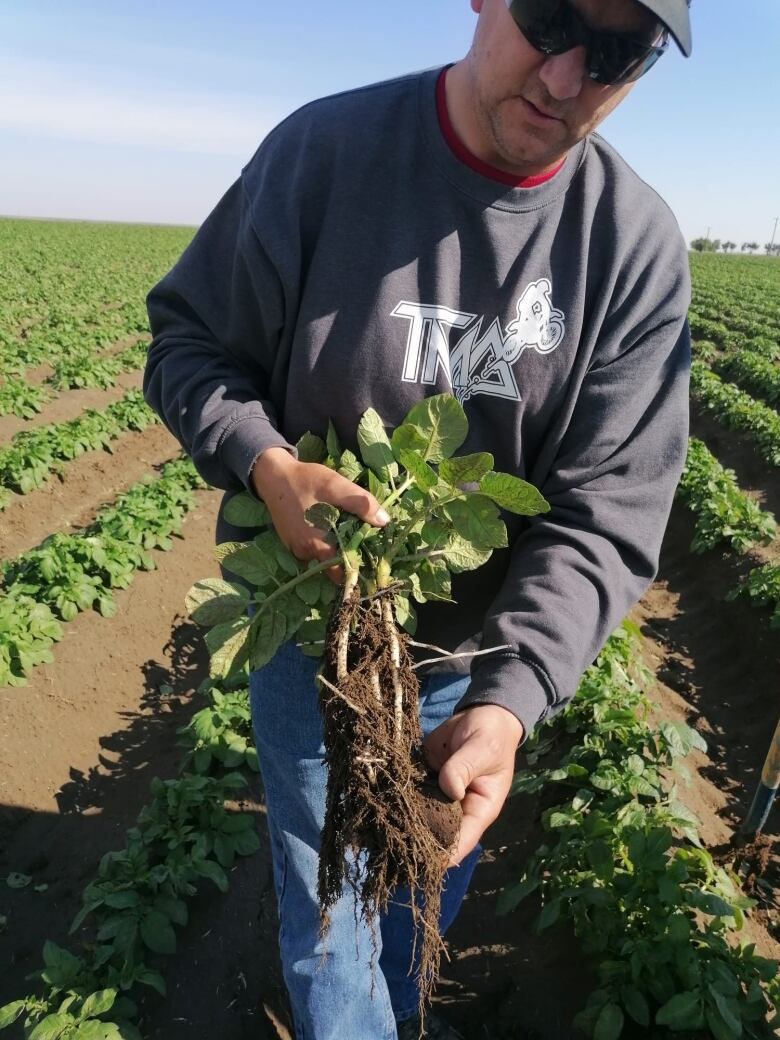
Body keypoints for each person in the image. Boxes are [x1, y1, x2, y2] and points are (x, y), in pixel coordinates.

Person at [143, 1, 693, 1036]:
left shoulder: (633, 246)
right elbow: (187, 346)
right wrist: (261, 459)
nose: (567, 78)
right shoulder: (325, 154)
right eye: (550, 17)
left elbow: (605, 509)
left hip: (477, 664)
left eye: (617, 51)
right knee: (329, 910)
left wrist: (512, 694)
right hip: (316, 635)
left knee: (417, 888)